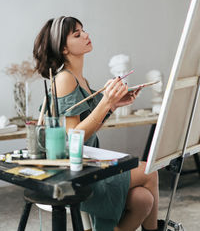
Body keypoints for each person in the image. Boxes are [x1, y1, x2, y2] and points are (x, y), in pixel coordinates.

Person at [33, 16, 164, 231]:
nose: (86, 35)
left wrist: (112, 106)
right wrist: (106, 102)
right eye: (77, 34)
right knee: (150, 172)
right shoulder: (64, 79)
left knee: (143, 200)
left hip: (87, 164)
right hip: (71, 173)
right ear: (64, 48)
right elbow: (74, 138)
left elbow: (89, 127)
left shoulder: (79, 79)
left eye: (84, 30)